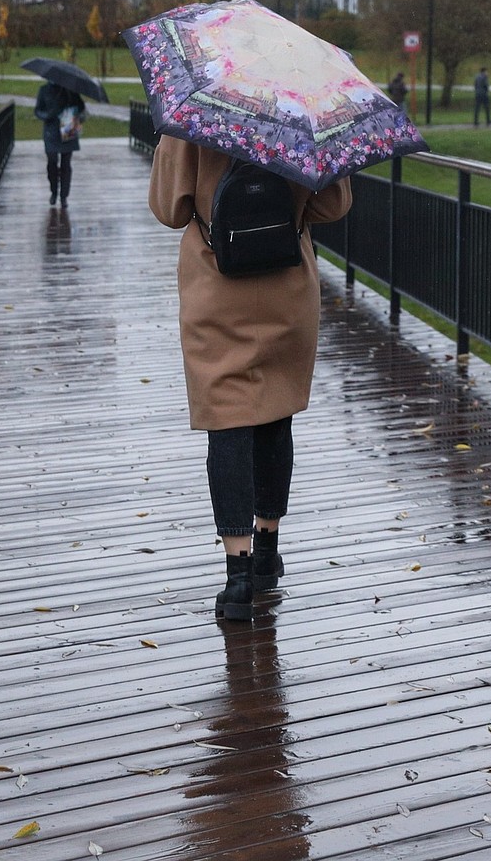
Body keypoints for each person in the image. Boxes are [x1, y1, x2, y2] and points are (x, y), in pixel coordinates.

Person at [148, 137, 352, 622]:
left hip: (216, 285)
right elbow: (333, 204)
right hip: (286, 287)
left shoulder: (194, 119)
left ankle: (237, 577)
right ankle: (267, 549)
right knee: (276, 416)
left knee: (228, 422)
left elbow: (168, 209)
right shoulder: (301, 115)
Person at [34, 80, 87, 207]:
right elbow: (37, 110)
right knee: (51, 161)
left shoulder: (70, 90)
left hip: (68, 130)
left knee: (66, 164)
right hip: (51, 132)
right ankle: (53, 191)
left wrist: (70, 106)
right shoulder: (44, 90)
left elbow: (81, 106)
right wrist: (47, 115)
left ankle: (64, 196)